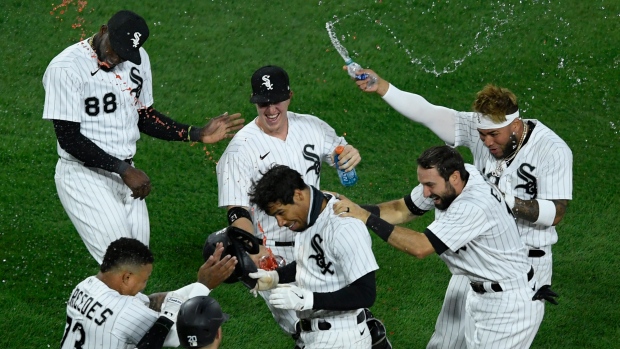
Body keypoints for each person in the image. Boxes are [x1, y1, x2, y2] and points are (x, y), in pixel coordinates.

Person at [350, 70, 572, 348]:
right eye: (482, 135)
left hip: (523, 265)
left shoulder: (551, 150)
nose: (487, 142)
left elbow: (556, 214)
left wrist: (503, 199)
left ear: (515, 125)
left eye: (494, 135)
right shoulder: (473, 156)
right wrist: (382, 86)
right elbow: (428, 113)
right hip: (472, 257)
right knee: (444, 343)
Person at [42, 10, 244, 264]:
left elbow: (144, 115)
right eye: (114, 49)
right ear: (103, 31)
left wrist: (196, 133)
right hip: (84, 175)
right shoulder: (66, 68)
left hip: (126, 172)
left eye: (125, 54)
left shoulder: (137, 60)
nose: (116, 58)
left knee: (139, 266)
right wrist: (122, 169)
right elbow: (69, 139)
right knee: (122, 265)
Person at [334, 145, 548, 349]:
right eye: (423, 185)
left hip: (509, 306)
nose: (425, 193)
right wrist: (351, 209)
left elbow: (420, 247)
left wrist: (365, 217)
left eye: (430, 186)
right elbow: (402, 209)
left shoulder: (472, 205)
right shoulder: (463, 176)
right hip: (482, 292)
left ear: (454, 177)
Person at [215, 65, 361, 342]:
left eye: (276, 101)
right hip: (278, 255)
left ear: (290, 96)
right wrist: (257, 254)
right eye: (263, 103)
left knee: (351, 321)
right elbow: (237, 211)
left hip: (322, 243)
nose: (271, 110)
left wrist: (350, 155)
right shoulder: (240, 149)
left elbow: (340, 153)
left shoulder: (312, 126)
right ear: (254, 100)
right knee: (311, 334)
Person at [247, 165, 378, 349]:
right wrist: (276, 276)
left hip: (342, 338)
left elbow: (366, 293)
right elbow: (311, 261)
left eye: (280, 213)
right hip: (314, 336)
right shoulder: (309, 218)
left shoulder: (344, 227)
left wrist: (308, 299)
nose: (280, 223)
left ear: (298, 195)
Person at [61, 237, 237, 349]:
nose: (145, 285)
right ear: (127, 277)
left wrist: (200, 284)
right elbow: (180, 333)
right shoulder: (125, 312)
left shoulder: (85, 286)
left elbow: (146, 302)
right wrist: (204, 286)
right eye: (144, 279)